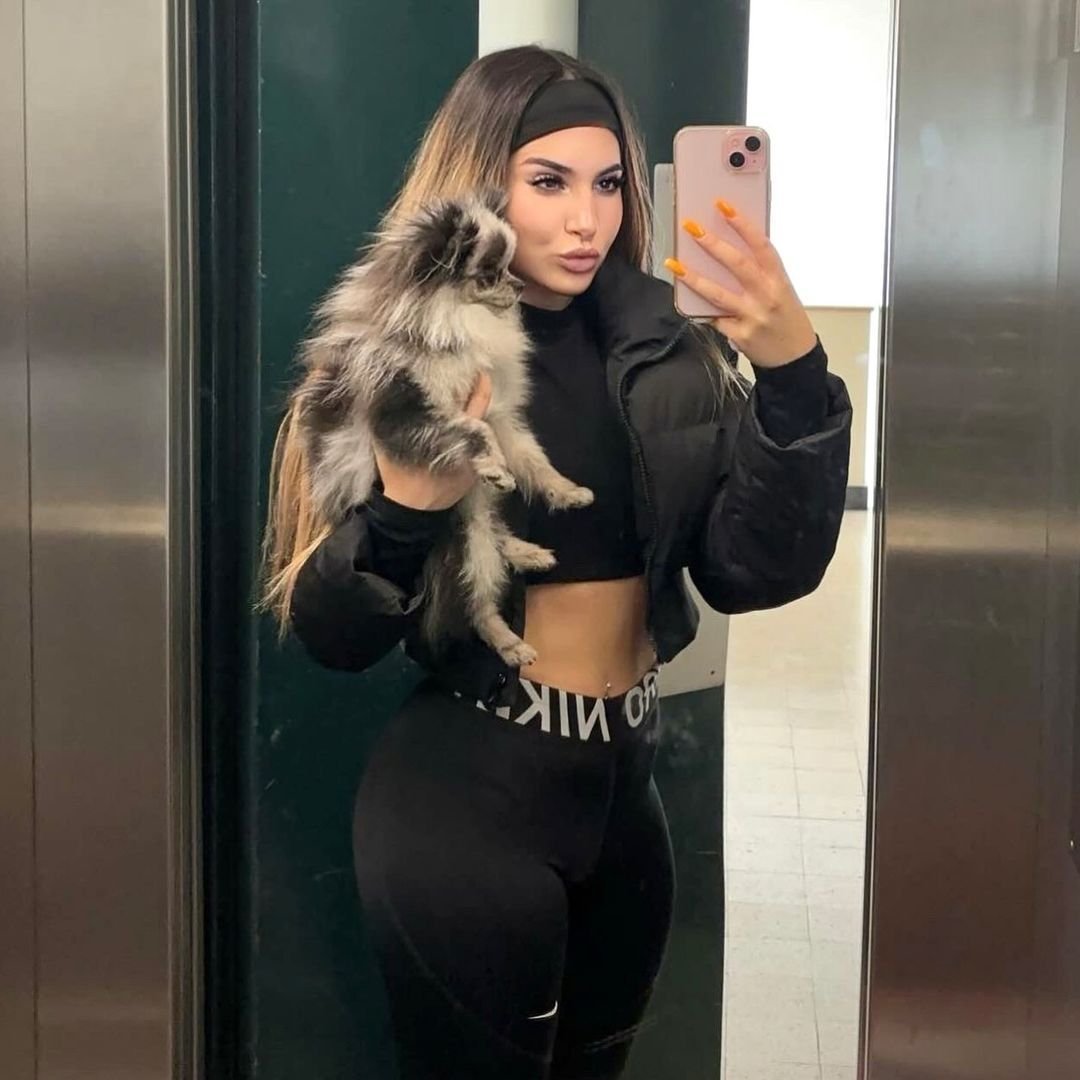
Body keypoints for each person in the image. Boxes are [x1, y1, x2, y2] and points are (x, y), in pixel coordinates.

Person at [261, 45, 851, 1080]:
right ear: (484, 185)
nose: (587, 219)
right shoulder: (404, 354)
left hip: (626, 800)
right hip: (467, 805)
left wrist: (795, 375)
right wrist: (405, 511)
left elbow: (752, 572)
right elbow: (332, 634)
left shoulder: (669, 347)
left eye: (608, 183)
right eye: (548, 182)